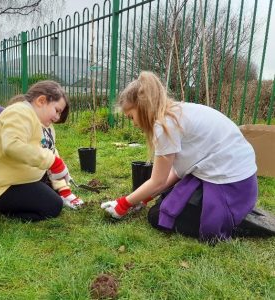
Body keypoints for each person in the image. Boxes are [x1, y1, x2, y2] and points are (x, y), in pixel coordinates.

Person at [101, 71, 258, 242]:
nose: (134, 124)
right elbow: (176, 172)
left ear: (142, 107)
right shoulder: (176, 112)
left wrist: (123, 204)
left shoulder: (164, 126)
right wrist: (142, 198)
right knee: (165, 202)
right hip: (244, 183)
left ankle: (233, 221)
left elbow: (158, 181)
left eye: (131, 117)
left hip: (231, 188)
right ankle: (235, 212)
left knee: (157, 216)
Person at [0, 80, 83, 221]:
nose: (57, 118)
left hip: (14, 181)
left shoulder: (44, 125)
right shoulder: (19, 112)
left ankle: (4, 206)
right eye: (57, 110)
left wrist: (64, 187)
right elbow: (13, 145)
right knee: (52, 207)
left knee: (53, 196)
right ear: (41, 100)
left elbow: (50, 152)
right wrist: (53, 162)